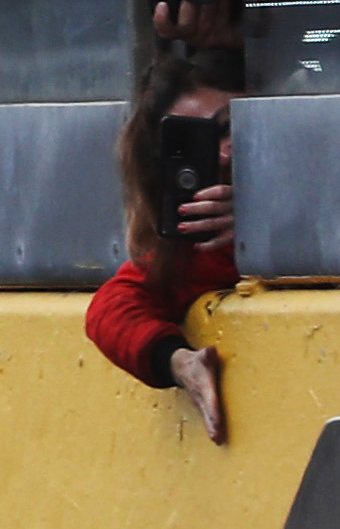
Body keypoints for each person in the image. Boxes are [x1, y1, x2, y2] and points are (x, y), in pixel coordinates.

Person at [86, 45, 243, 441]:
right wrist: (178, 362)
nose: (224, 153)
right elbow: (111, 308)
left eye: (231, 125)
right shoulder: (202, 250)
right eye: (200, 143)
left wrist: (269, 222)